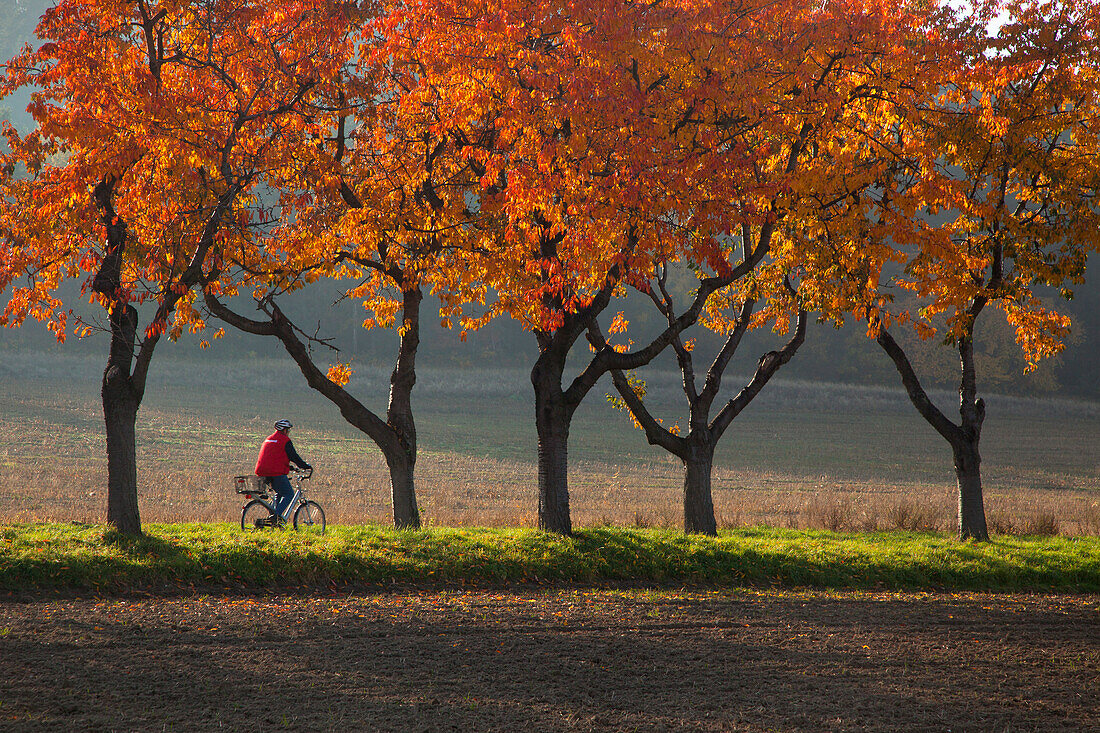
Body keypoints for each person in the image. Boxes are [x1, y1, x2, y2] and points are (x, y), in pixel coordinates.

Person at [255, 419, 312, 522]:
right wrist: (305, 466)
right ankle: (276, 517)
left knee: (279, 493)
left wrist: (288, 467)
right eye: (288, 430)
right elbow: (294, 457)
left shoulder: (269, 439)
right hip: (275, 472)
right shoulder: (285, 440)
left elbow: (274, 457)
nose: (288, 433)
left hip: (262, 471)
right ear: (284, 430)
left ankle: (273, 517)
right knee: (289, 494)